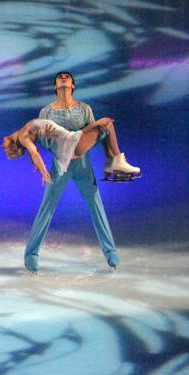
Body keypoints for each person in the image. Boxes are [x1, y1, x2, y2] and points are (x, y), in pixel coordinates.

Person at [12, 72, 130, 273]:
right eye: (60, 77)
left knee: (96, 205)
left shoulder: (85, 109)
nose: (64, 78)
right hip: (60, 165)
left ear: (73, 85)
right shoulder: (46, 112)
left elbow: (95, 135)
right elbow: (41, 142)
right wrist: (48, 141)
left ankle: (110, 251)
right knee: (47, 207)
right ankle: (31, 254)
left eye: (67, 77)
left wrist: (89, 143)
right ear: (55, 86)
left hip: (82, 164)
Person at [2, 117, 140, 186]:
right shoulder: (23, 137)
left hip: (71, 141)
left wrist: (92, 126)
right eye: (4, 145)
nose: (3, 142)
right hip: (72, 144)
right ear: (12, 146)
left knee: (103, 129)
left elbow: (64, 135)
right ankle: (118, 161)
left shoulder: (22, 133)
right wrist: (44, 173)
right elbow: (35, 153)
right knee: (107, 123)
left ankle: (111, 164)